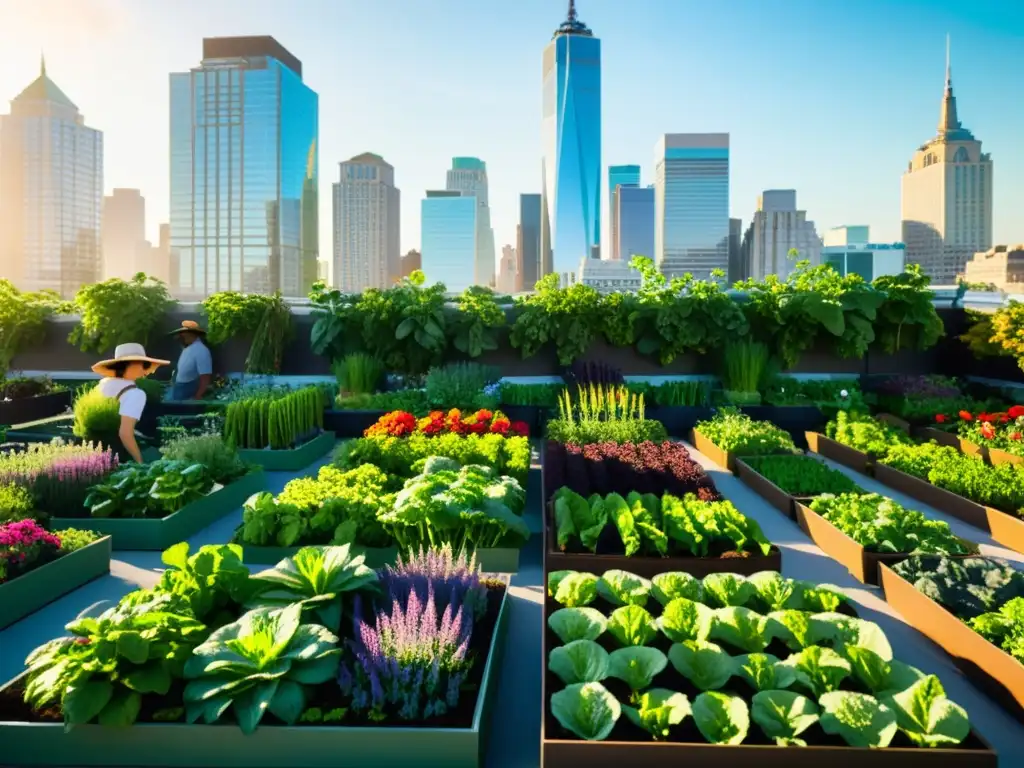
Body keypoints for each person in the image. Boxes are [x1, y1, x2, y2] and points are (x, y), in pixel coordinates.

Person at [92, 343, 170, 463]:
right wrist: (140, 462)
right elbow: (125, 433)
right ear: (128, 365)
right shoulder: (135, 394)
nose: (146, 370)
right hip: (118, 455)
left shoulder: (103, 384)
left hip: (92, 454)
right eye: (143, 364)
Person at [169, 320, 213, 401]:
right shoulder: (187, 348)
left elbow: (205, 377)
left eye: (183, 333)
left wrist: (197, 396)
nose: (181, 335)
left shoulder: (201, 350)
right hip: (179, 389)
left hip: (189, 390)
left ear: (190, 334)